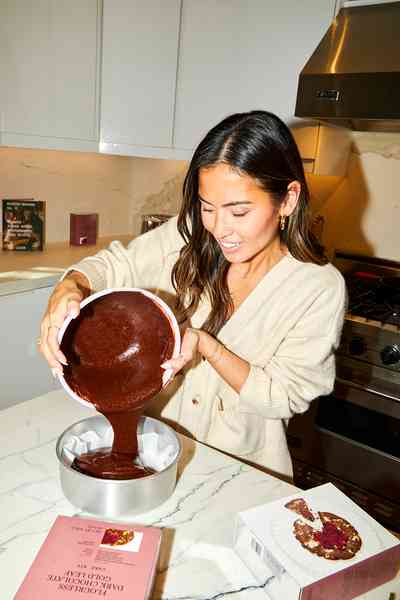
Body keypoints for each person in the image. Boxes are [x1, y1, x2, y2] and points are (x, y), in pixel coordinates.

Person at [39, 110, 346, 480]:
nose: (219, 228)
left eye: (239, 211)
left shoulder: (317, 288)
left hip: (242, 472)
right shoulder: (188, 235)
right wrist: (69, 286)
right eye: (207, 207)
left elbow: (284, 396)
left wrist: (208, 346)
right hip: (156, 450)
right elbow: (115, 265)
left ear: (288, 200)